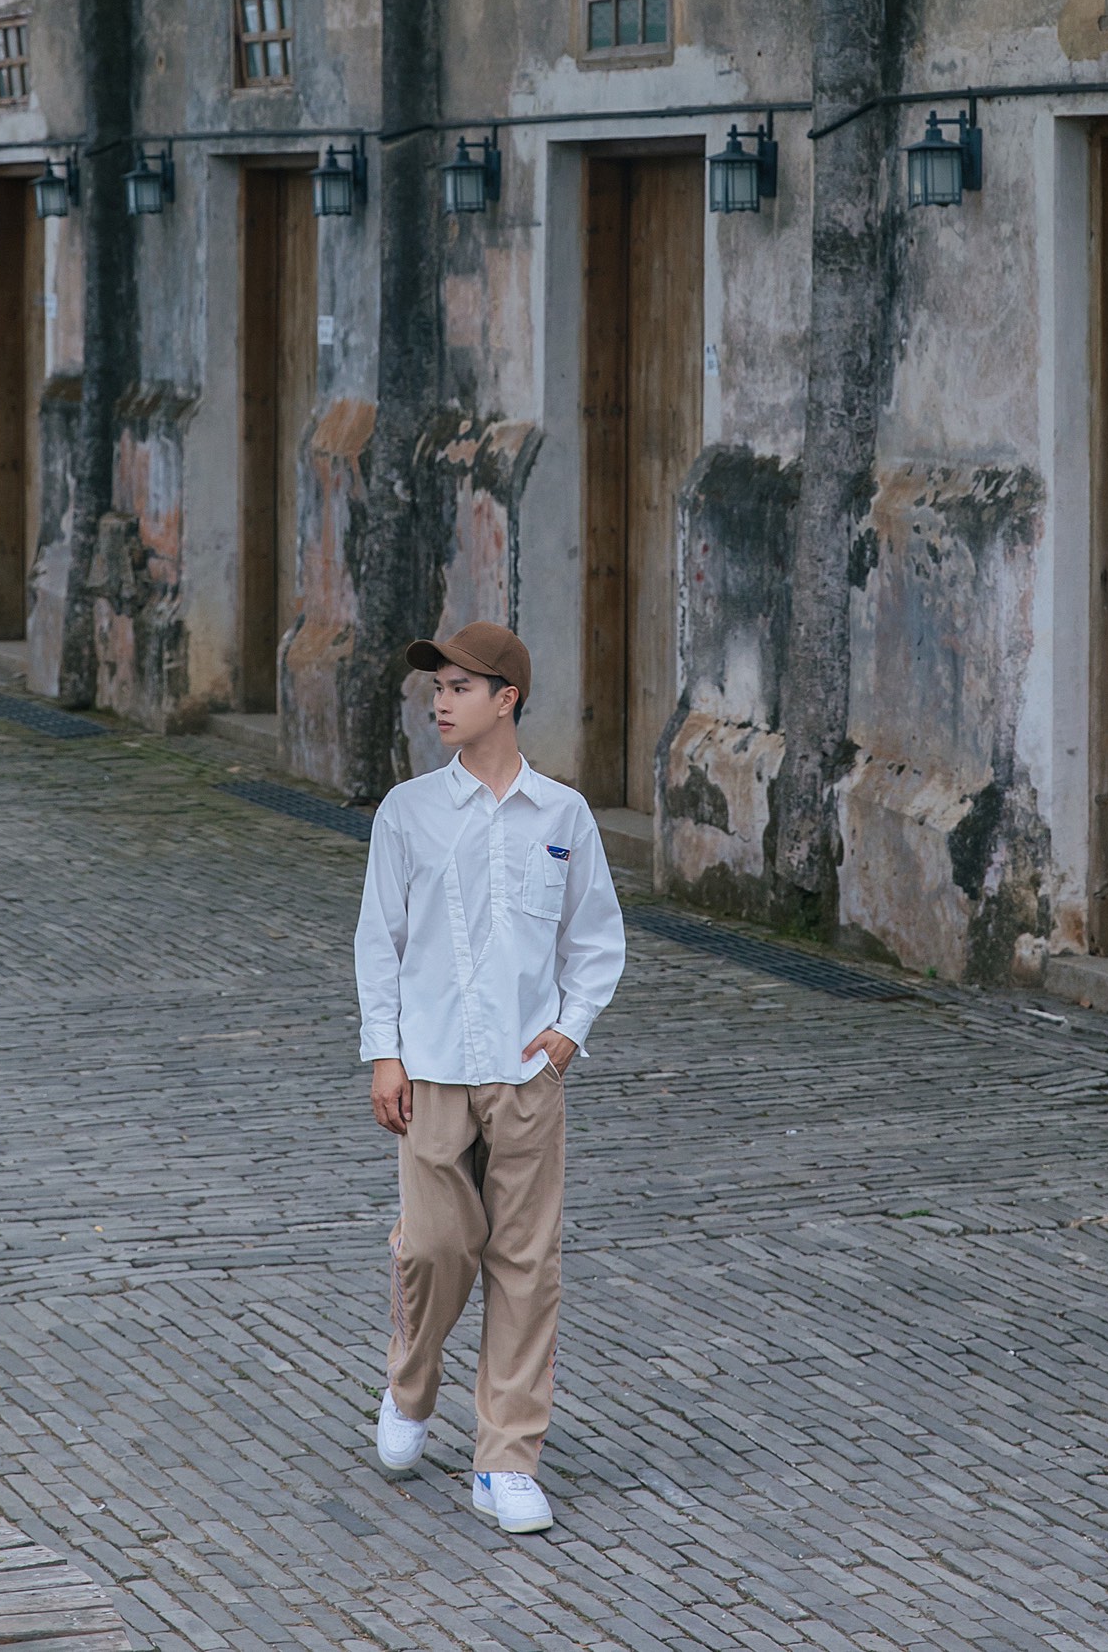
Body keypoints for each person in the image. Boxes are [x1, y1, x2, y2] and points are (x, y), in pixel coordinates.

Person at [353, 620, 626, 1535]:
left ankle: (506, 1457)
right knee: (433, 1245)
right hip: (429, 1067)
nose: (440, 700)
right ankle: (411, 1387)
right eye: (436, 686)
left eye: (461, 686)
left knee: (526, 1262)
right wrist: (383, 1051)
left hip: (525, 1074)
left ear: (506, 698)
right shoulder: (407, 813)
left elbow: (595, 939)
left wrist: (567, 1033)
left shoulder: (564, 816)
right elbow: (378, 943)